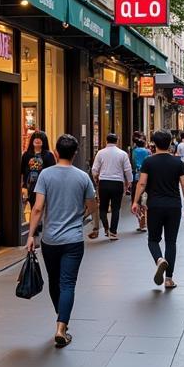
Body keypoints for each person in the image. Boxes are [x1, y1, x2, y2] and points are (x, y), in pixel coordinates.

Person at [26, 134, 97, 347]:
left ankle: (61, 318)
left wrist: (31, 235)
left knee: (55, 282)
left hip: (50, 240)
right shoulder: (83, 177)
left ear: (56, 152)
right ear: (75, 153)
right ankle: (61, 326)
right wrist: (88, 220)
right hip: (73, 240)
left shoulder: (45, 175)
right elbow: (92, 205)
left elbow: (37, 208)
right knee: (68, 283)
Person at [132, 129, 184, 289]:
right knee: (171, 242)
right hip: (174, 206)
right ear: (170, 143)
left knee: (153, 239)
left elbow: (142, 183)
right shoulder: (178, 162)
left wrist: (136, 201)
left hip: (155, 205)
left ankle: (159, 259)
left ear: (154, 143)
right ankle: (169, 279)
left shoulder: (149, 162)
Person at [91, 133, 133, 240]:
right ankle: (113, 232)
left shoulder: (100, 153)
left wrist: (96, 178)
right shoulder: (122, 154)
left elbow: (94, 169)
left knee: (103, 208)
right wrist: (129, 182)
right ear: (117, 141)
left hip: (104, 182)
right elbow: (128, 170)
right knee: (116, 208)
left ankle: (106, 228)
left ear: (106, 141)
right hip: (117, 183)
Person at [21, 131, 56, 221]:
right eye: (35, 138)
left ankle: (39, 223)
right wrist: (23, 186)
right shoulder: (26, 155)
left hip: (44, 186)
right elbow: (21, 171)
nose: (37, 140)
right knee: (33, 205)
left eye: (40, 138)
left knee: (41, 206)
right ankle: (34, 225)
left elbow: (52, 172)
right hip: (30, 186)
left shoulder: (49, 155)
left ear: (44, 141)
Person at [131, 137, 150, 233]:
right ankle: (144, 222)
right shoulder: (148, 152)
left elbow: (133, 163)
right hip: (146, 177)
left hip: (137, 176)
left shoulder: (134, 151)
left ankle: (140, 219)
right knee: (144, 199)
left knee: (136, 200)